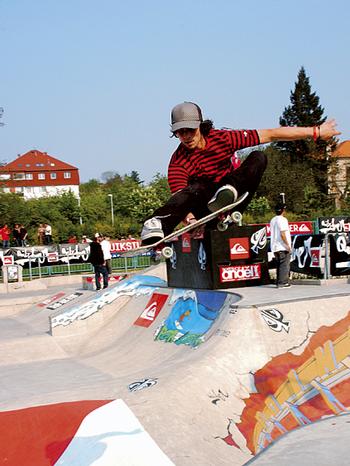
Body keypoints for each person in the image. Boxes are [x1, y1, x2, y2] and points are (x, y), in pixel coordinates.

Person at [141, 101, 340, 245]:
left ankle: (228, 194)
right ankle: (158, 223)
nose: (185, 137)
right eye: (180, 132)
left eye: (190, 130)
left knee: (258, 157)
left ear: (200, 126)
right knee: (197, 187)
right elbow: (180, 199)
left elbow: (271, 134)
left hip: (235, 193)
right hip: (205, 206)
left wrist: (316, 131)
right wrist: (191, 221)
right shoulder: (178, 161)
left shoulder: (224, 139)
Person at [270, 204, 292, 288]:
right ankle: (283, 282)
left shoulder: (273, 220)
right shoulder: (283, 220)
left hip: (275, 246)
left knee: (279, 264)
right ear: (283, 211)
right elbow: (283, 234)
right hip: (282, 246)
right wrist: (287, 245)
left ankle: (279, 281)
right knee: (284, 264)